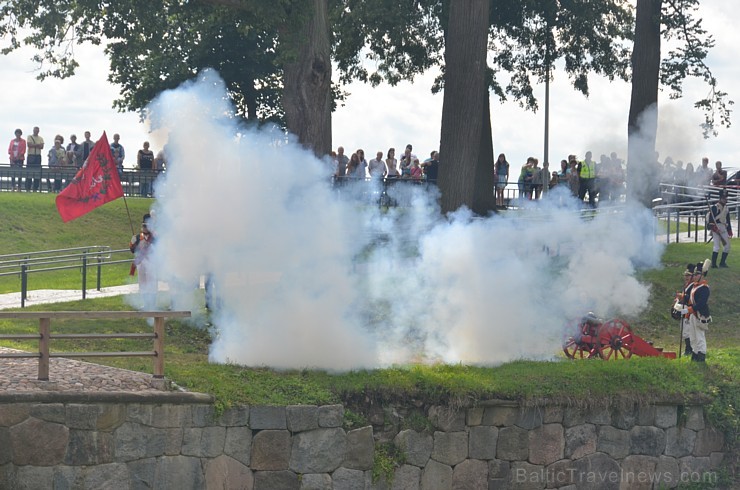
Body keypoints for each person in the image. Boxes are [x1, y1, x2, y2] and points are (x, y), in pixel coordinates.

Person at [685, 260, 711, 362]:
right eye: (694, 274)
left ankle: (701, 356)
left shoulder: (704, 288)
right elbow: (691, 299)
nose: (694, 276)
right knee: (692, 336)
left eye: (697, 274)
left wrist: (692, 309)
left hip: (700, 315)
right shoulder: (694, 286)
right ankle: (695, 353)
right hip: (693, 314)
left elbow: (701, 303)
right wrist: (684, 297)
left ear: (702, 275)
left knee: (699, 336)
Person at [130, 214, 157, 311]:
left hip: (151, 261)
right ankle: (146, 304)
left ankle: (152, 305)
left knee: (152, 283)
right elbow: (133, 250)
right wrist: (132, 244)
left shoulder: (154, 237)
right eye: (143, 226)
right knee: (143, 283)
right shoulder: (137, 237)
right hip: (141, 262)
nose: (144, 228)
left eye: (146, 226)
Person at [706, 190, 732, 268]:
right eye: (723, 198)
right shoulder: (715, 207)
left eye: (726, 198)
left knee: (727, 246)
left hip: (723, 228)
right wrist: (714, 228)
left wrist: (729, 230)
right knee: (716, 246)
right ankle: (713, 264)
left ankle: (722, 263)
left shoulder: (726, 208)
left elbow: (728, 220)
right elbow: (711, 219)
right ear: (720, 198)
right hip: (716, 228)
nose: (725, 199)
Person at [25, 126, 44, 192]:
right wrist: (37, 145)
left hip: (37, 156)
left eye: (37, 130)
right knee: (29, 172)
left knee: (37, 172)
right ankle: (28, 187)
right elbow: (29, 145)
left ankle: (35, 188)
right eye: (35, 130)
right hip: (31, 155)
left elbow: (42, 146)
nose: (36, 131)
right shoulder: (29, 137)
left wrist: (34, 145)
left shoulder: (40, 138)